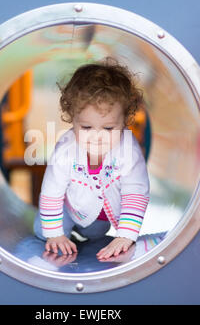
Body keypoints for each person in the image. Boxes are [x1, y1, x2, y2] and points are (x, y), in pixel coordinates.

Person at [34, 57, 150, 260]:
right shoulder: (66, 149)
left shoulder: (129, 150)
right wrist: (55, 234)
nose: (97, 136)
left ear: (125, 121)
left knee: (96, 234)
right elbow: (52, 192)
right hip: (67, 207)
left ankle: (83, 237)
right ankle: (65, 235)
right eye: (86, 127)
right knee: (41, 230)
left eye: (108, 128)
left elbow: (136, 192)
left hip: (100, 218)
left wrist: (125, 235)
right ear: (73, 119)